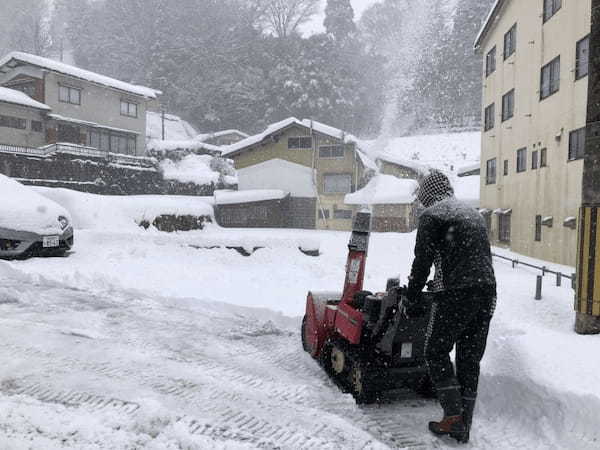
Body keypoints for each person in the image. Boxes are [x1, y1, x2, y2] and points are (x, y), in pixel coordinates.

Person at [404, 170, 496, 444]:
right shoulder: (473, 214)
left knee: (435, 350)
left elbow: (422, 261)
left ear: (426, 195)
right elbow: (473, 258)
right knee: (469, 358)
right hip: (487, 292)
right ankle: (463, 424)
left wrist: (411, 296)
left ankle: (453, 415)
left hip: (456, 294)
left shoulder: (433, 216)